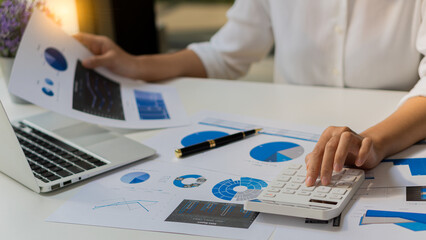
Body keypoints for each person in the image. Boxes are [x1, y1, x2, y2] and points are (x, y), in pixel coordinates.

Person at [74, 0, 426, 186]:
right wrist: (134, 65)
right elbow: (228, 53)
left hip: (396, 144)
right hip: (295, 149)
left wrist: (372, 141)